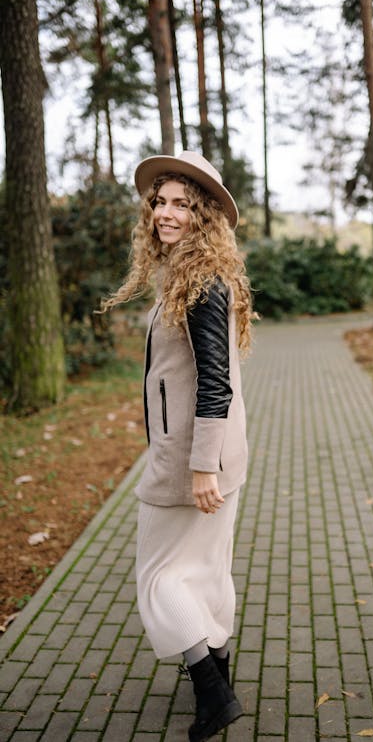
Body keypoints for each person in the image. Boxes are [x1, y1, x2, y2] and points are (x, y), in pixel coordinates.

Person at [99, 151, 253, 741]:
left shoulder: (202, 280)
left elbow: (214, 378)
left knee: (161, 578)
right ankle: (218, 670)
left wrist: (200, 468)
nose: (165, 213)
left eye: (180, 205)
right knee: (208, 571)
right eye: (159, 202)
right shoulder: (195, 271)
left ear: (203, 214)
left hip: (193, 461)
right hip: (211, 456)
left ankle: (213, 695)